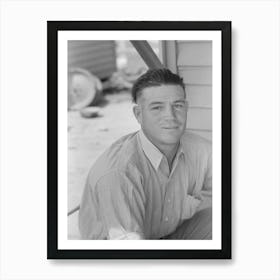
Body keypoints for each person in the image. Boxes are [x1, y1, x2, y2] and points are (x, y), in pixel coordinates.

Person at [79, 68, 212, 240]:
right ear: (138, 114)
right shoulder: (120, 172)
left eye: (177, 105)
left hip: (166, 235)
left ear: (186, 108)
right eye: (157, 107)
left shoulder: (201, 150)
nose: (170, 116)